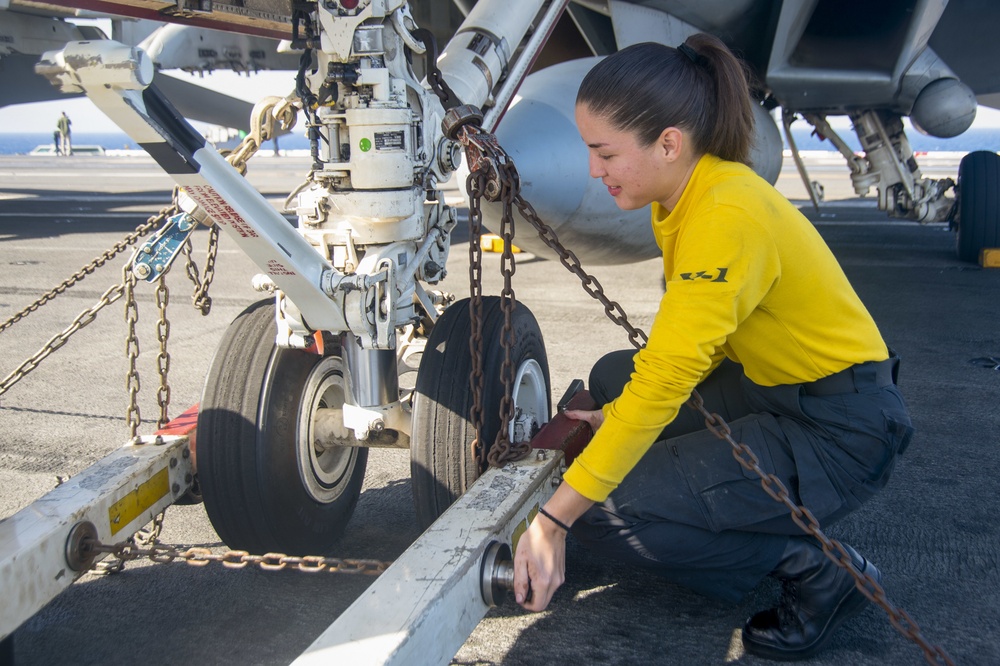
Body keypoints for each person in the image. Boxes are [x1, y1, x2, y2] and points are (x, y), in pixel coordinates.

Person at [512, 34, 913, 661]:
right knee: (615, 376)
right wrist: (614, 416)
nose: (594, 169)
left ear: (668, 143)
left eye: (604, 152)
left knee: (600, 512)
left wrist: (557, 517)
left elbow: (667, 378)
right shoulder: (687, 193)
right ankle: (711, 497)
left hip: (841, 429)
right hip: (776, 386)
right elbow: (683, 355)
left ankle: (818, 571)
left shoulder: (726, 214)